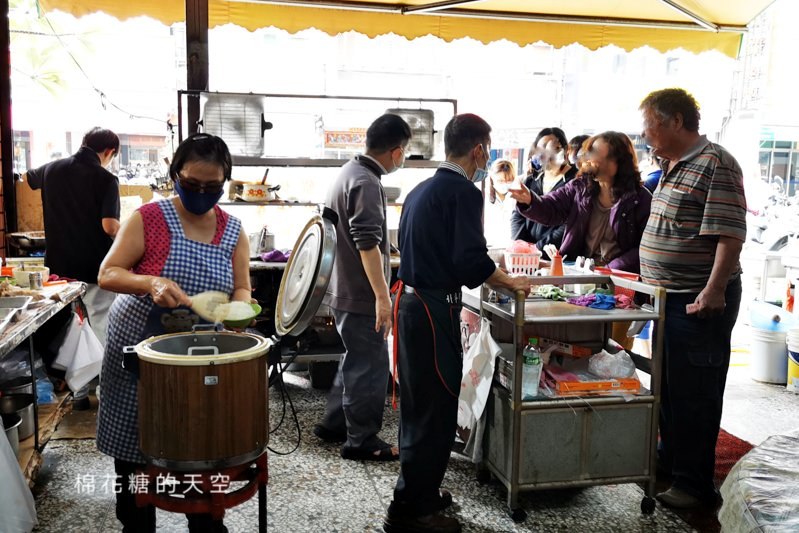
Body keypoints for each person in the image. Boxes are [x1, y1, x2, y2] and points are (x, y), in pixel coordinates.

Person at [384, 114, 533, 533]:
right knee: (435, 410)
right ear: (479, 149)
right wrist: (512, 283)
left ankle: (422, 494)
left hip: (412, 307)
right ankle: (411, 512)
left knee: (421, 406)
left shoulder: (422, 190)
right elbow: (471, 262)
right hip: (432, 312)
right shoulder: (463, 193)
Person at [96, 133, 250, 532]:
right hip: (139, 357)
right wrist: (151, 283)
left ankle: (205, 523)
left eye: (212, 187)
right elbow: (108, 273)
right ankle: (135, 522)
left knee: (196, 448)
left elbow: (242, 286)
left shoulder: (233, 231)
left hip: (198, 361)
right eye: (192, 184)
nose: (201, 193)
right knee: (135, 454)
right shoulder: (150, 218)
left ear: (225, 182)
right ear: (175, 175)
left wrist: (240, 309)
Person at [638, 88, 747, 509]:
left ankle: (694, 486)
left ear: (675, 121)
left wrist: (714, 288)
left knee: (695, 393)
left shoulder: (715, 164)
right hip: (667, 298)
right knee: (667, 389)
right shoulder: (672, 164)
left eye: (649, 124)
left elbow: (730, 234)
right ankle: (671, 463)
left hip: (698, 301)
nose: (645, 133)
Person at [314, 113, 411, 461]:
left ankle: (333, 424)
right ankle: (361, 441)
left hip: (344, 288)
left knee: (353, 359)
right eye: (405, 153)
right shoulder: (367, 182)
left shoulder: (348, 171)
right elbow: (367, 243)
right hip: (361, 294)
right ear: (397, 151)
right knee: (368, 367)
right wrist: (382, 298)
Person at [25, 127, 121, 410]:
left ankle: (77, 392)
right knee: (101, 323)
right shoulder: (106, 179)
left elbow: (28, 178)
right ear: (109, 153)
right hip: (93, 266)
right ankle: (106, 389)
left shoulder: (51, 169)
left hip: (57, 269)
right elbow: (110, 226)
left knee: (70, 325)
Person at [508, 131, 652, 274]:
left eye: (594, 153)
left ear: (616, 162)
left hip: (620, 280)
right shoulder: (580, 187)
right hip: (579, 275)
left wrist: (610, 270)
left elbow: (645, 249)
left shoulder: (640, 199)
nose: (587, 159)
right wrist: (530, 199)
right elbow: (552, 207)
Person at [510, 127, 576, 250]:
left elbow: (570, 223)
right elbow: (517, 215)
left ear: (565, 149)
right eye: (540, 148)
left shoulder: (575, 182)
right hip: (526, 257)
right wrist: (521, 246)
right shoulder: (531, 180)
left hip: (556, 254)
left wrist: (537, 249)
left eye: (550, 147)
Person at [484, 158, 518, 247]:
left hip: (511, 248)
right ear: (492, 179)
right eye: (500, 181)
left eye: (509, 181)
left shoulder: (517, 198)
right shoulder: (484, 197)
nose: (505, 184)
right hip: (489, 246)